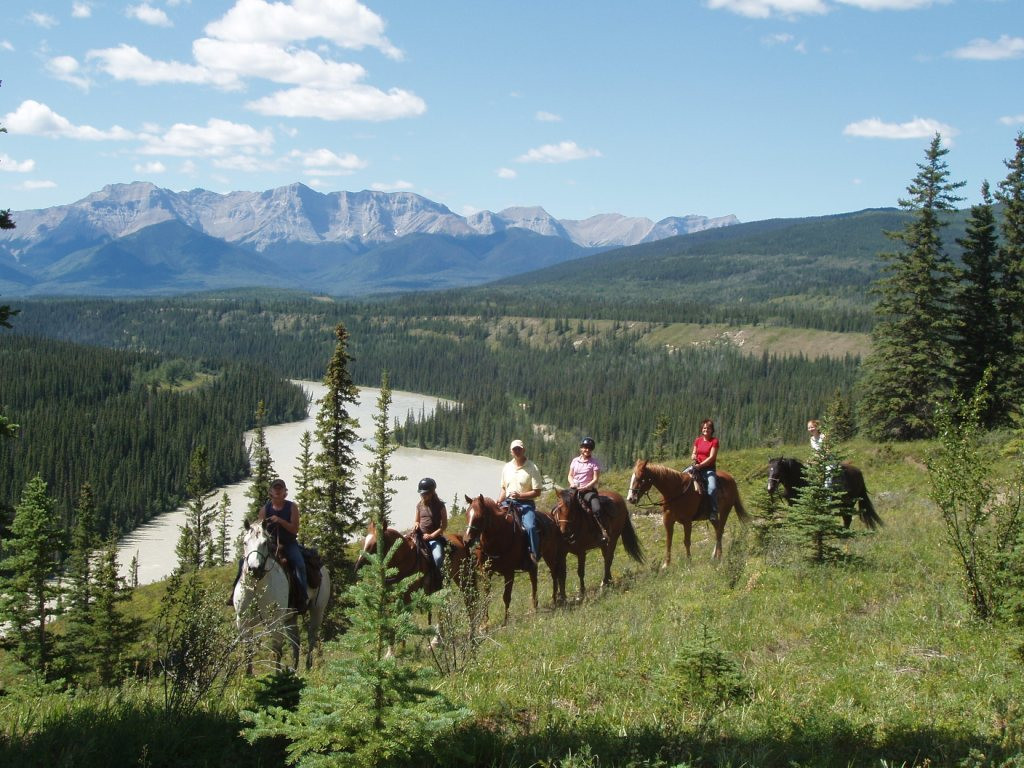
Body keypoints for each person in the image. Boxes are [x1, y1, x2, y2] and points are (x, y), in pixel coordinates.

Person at [258, 478, 309, 611]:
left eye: (281, 488)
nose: (278, 491)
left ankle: (302, 598)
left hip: (289, 544)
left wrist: (280, 520)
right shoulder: (265, 509)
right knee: (247, 563)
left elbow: (294, 529)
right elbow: (259, 530)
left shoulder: (292, 507)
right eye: (276, 488)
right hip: (270, 544)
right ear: (271, 491)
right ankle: (238, 592)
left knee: (300, 565)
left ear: (285, 492)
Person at [498, 438, 544, 565]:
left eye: (519, 449)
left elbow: (537, 491)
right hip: (507, 502)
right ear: (511, 452)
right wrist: (498, 502)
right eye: (514, 449)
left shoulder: (532, 467)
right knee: (493, 522)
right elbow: (503, 488)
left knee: (530, 526)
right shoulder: (507, 467)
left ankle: (534, 554)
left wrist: (520, 495)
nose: (517, 451)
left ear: (524, 450)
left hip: (525, 503)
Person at [568, 436, 608, 544]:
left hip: (588, 490)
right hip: (574, 488)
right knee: (563, 505)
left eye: (589, 448)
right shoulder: (575, 461)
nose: (587, 450)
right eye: (585, 447)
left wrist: (585, 487)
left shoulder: (594, 462)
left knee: (596, 508)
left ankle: (601, 531)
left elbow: (595, 479)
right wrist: (572, 483)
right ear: (581, 448)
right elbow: (570, 475)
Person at [414, 477, 448, 587]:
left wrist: (431, 535)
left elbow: (444, 525)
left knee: (438, 558)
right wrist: (416, 525)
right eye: (421, 494)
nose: (423, 496)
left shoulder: (440, 506)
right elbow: (416, 520)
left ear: (432, 492)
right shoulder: (419, 505)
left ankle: (440, 581)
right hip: (419, 535)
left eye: (425, 494)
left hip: (434, 538)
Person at [685, 419, 719, 523]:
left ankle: (714, 511)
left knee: (712, 488)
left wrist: (701, 465)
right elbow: (694, 453)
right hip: (696, 467)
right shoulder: (698, 440)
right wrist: (694, 456)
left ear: (712, 430)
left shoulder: (714, 441)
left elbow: (712, 457)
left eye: (708, 428)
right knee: (681, 477)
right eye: (704, 428)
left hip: (708, 469)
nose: (706, 430)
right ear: (702, 429)